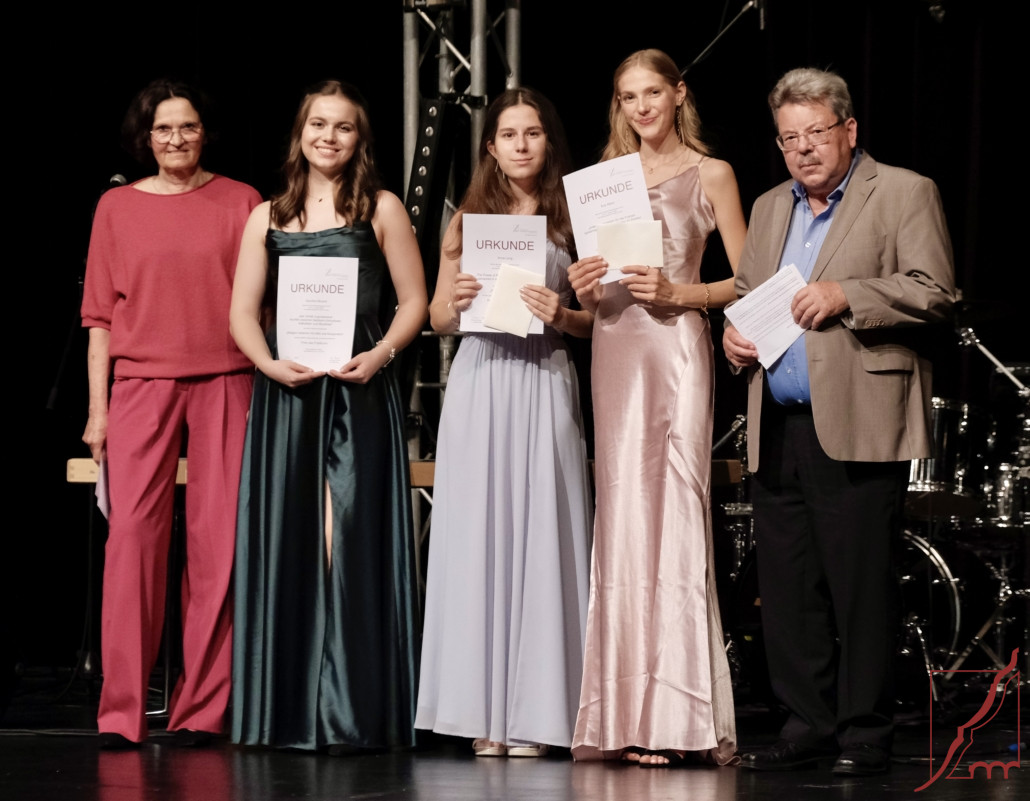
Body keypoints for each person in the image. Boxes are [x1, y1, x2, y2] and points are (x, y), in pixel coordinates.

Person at [723, 68, 956, 776]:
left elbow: (935, 291)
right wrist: (733, 338)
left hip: (858, 417)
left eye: (816, 133)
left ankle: (864, 732)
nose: (802, 149)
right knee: (789, 588)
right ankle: (806, 725)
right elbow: (746, 294)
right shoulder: (769, 206)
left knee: (860, 586)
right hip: (778, 422)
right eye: (788, 138)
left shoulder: (905, 191)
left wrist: (846, 293)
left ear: (849, 131)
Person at [229, 80, 427, 751]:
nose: (329, 137)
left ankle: (352, 708)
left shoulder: (382, 207)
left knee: (349, 537)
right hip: (289, 395)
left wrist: (381, 356)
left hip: (357, 388)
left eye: (343, 127)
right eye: (318, 124)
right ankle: (287, 709)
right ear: (301, 132)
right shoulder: (267, 215)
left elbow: (414, 302)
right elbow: (241, 312)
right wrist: (268, 364)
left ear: (359, 138)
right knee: (292, 537)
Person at [568, 49, 747, 767]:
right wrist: (584, 286)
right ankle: (621, 715)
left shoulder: (712, 172)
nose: (641, 107)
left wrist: (683, 293)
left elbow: (751, 279)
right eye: (627, 96)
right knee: (622, 520)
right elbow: (595, 296)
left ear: (678, 93)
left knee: (674, 514)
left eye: (652, 92)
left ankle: (679, 717)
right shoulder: (601, 181)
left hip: (677, 347)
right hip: (614, 347)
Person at [81, 79, 261, 749]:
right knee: (131, 540)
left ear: (204, 132)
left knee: (219, 544)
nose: (177, 138)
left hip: (228, 379)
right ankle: (122, 710)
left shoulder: (242, 201)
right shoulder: (116, 206)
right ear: (145, 137)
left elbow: (263, 301)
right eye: (164, 129)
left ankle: (202, 707)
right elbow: (99, 318)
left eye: (188, 126)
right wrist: (97, 411)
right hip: (140, 385)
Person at [415, 88, 593, 757]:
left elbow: (598, 320)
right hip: (481, 379)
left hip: (543, 374)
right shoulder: (467, 220)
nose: (521, 145)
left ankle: (538, 715)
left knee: (543, 530)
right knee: (479, 536)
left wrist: (562, 313)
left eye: (533, 133)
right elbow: (437, 318)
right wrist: (457, 300)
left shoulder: (571, 218)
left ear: (549, 142)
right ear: (490, 146)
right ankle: (482, 712)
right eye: (509, 134)